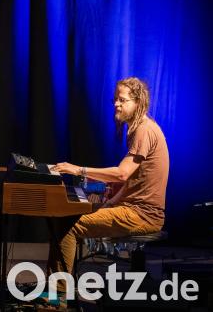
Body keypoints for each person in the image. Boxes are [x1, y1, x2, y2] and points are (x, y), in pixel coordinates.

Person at [46, 77, 169, 301]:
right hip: (133, 209)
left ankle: (57, 298)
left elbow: (122, 173)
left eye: (122, 100)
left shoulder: (144, 130)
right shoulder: (137, 130)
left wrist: (78, 170)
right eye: (115, 99)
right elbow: (131, 182)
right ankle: (59, 289)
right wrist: (110, 201)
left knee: (68, 225)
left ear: (138, 101)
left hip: (143, 215)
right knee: (65, 217)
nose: (116, 104)